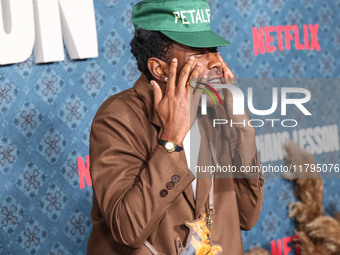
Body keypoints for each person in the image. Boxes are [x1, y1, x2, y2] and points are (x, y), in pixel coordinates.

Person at [87, 0, 264, 254]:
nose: (216, 62)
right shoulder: (117, 119)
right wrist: (171, 139)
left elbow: (248, 216)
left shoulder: (215, 110)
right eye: (199, 53)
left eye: (213, 49)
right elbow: (127, 230)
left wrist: (244, 130)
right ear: (159, 69)